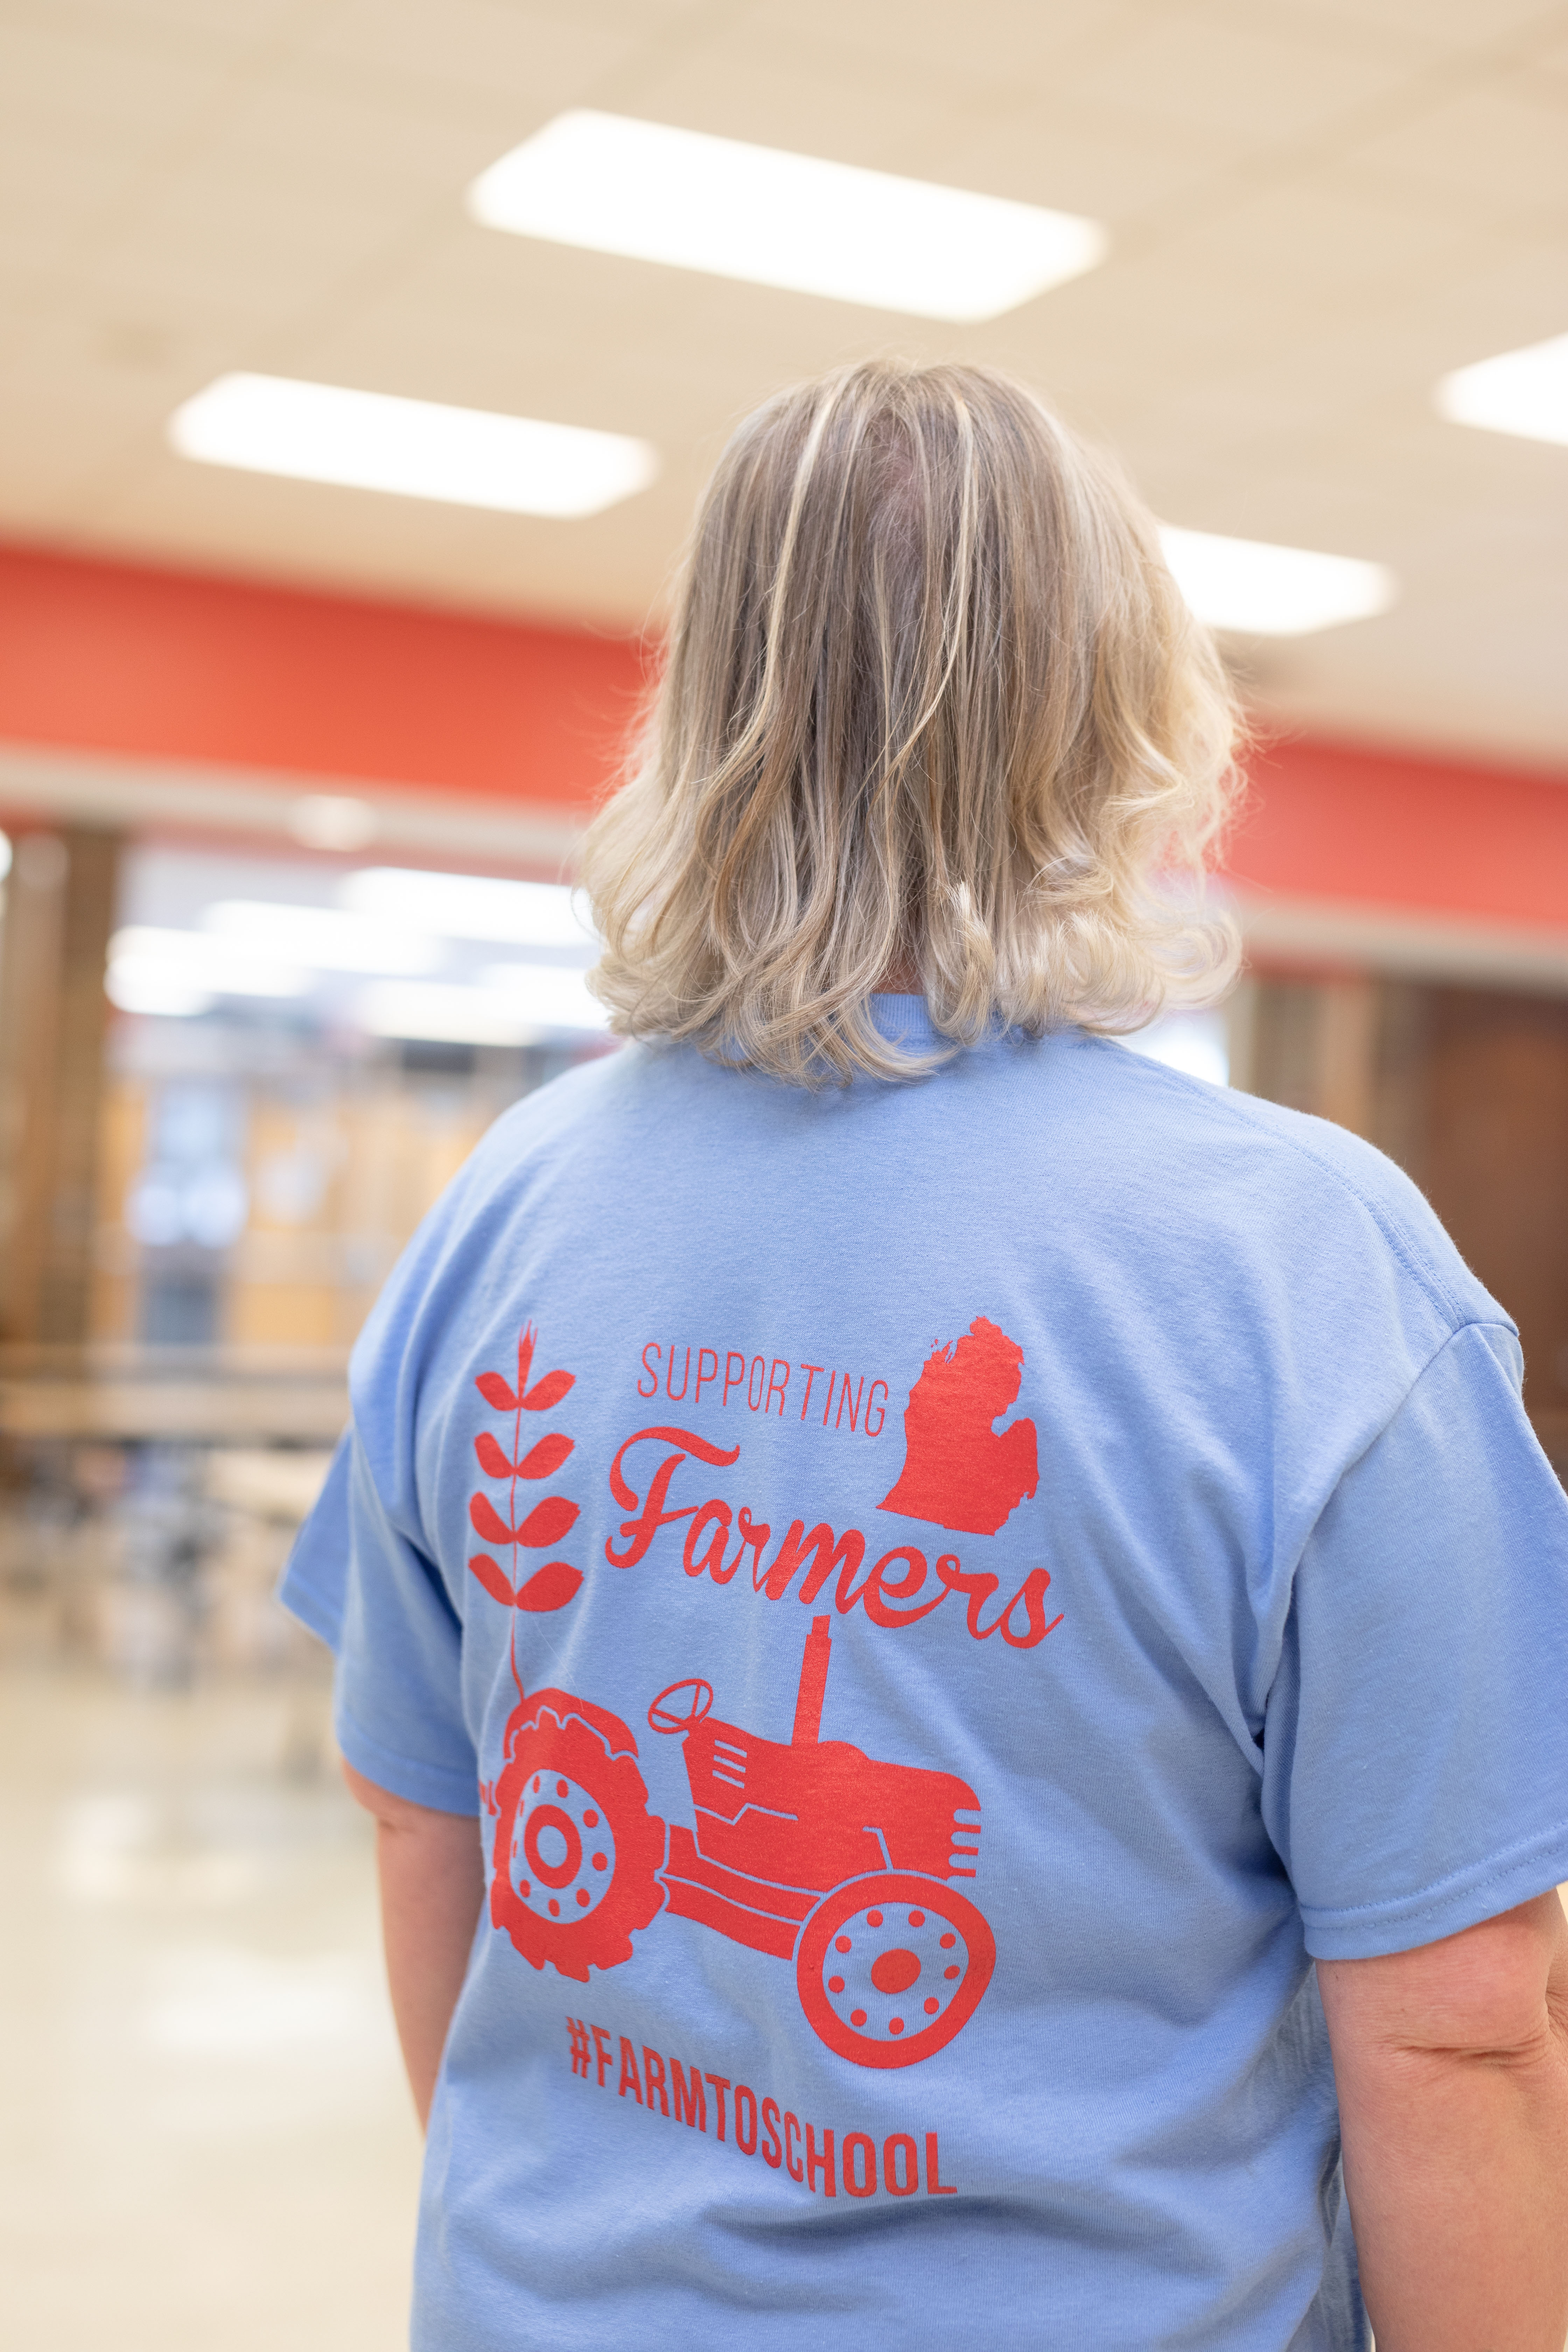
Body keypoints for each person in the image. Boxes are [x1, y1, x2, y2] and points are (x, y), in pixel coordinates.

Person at [281, 359, 1568, 2352]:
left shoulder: (509, 1198)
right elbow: (1467, 2023)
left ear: (704, 707)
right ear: (1129, 716)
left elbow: (424, 1816)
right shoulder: (1308, 1269)